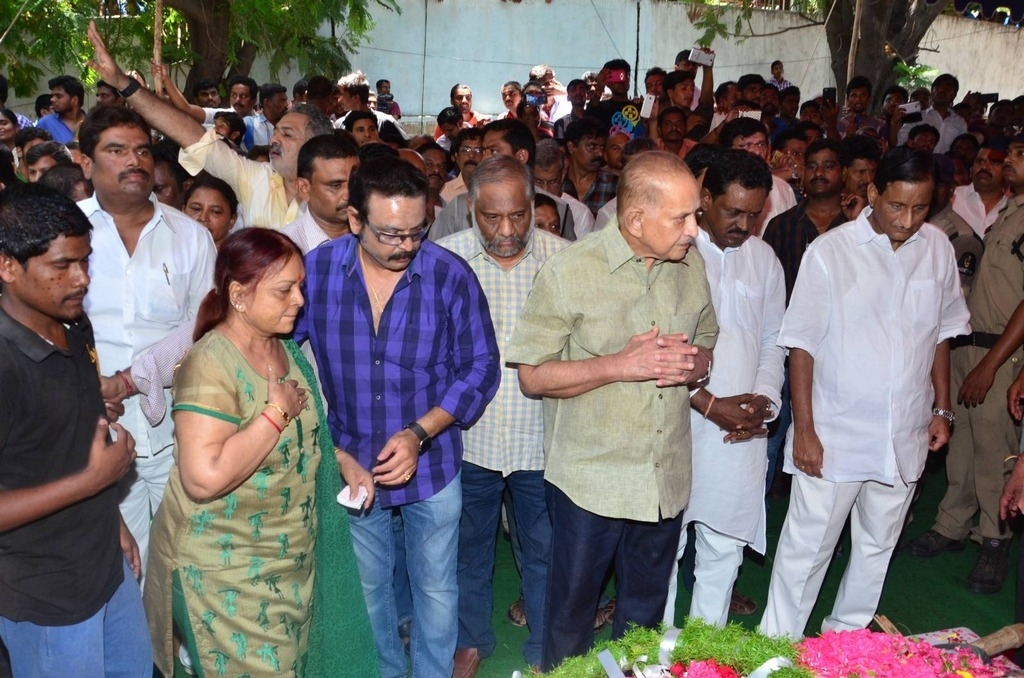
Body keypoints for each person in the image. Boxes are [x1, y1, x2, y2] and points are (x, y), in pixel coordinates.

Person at [506, 151, 717, 671]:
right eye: (682, 218)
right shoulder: (570, 271)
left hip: (663, 475)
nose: (695, 229)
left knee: (644, 614)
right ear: (636, 219)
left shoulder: (691, 264)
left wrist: (694, 366)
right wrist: (621, 365)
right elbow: (532, 375)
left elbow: (707, 343)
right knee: (571, 616)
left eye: (695, 215)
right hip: (590, 482)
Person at [295, 157, 500, 678]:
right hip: (352, 462)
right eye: (390, 234)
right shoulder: (317, 272)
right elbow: (280, 356)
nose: (406, 246)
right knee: (369, 588)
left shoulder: (449, 274)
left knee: (436, 587)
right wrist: (331, 448)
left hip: (432, 463)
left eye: (417, 231)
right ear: (355, 219)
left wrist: (419, 433)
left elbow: (481, 367)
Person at [143, 228, 378, 677]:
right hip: (224, 567)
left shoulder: (284, 348)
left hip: (287, 556)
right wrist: (275, 414)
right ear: (238, 295)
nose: (299, 301)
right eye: (284, 290)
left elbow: (303, 436)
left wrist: (341, 461)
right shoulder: (210, 363)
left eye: (300, 287)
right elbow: (203, 477)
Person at [759, 148, 970, 639]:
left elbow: (941, 332)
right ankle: (777, 648)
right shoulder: (830, 252)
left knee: (877, 547)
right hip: (835, 431)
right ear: (874, 192)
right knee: (807, 548)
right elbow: (801, 345)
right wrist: (804, 430)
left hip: (904, 430)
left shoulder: (937, 247)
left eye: (920, 208)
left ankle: (845, 641)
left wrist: (942, 408)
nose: (907, 220)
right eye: (897, 205)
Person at [0, 183, 151, 677]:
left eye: (86, 261)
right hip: (47, 598)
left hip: (104, 565)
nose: (82, 279)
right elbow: (89, 471)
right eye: (62, 266)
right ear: (7, 266)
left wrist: (114, 522)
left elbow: (80, 438)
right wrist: (93, 482)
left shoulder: (72, 324)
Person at [438, 155, 569, 675]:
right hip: (469, 438)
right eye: (492, 218)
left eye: (519, 215)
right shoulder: (446, 259)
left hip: (542, 438)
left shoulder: (564, 260)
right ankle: (470, 640)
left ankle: (545, 651)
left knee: (545, 549)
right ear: (470, 209)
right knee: (468, 548)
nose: (508, 230)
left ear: (534, 205)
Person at [77, 105, 217, 575]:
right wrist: (87, 390)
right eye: (116, 150)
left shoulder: (190, 236)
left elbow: (204, 329)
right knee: (123, 563)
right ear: (86, 163)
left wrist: (129, 380)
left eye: (141, 150)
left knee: (192, 561)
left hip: (178, 425)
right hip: (95, 429)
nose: (134, 161)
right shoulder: (66, 232)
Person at [664, 149, 784, 627]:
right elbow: (658, 344)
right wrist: (709, 404)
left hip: (741, 429)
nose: (744, 225)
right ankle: (656, 647)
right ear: (705, 199)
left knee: (725, 547)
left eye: (754, 214)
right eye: (733, 211)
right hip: (676, 421)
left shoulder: (764, 259)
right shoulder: (676, 252)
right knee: (664, 545)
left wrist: (764, 402)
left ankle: (703, 650)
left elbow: (774, 340)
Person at [905, 134, 1024, 594]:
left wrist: (991, 365)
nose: (1008, 161)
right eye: (1007, 154)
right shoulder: (1010, 213)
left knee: (995, 448)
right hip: (968, 344)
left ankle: (994, 538)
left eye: (1018, 156)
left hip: (1001, 352)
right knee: (963, 445)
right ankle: (952, 524)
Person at [87, 23, 334, 229]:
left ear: (316, 145)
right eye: (276, 132)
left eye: (287, 134)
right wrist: (123, 83)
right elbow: (191, 134)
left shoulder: (340, 194)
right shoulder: (255, 179)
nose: (275, 140)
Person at [282, 133, 361, 254]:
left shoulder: (379, 236)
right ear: (304, 189)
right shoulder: (285, 249)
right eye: (336, 185)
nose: (349, 194)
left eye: (354, 182)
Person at [182, 172, 240, 247]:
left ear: (232, 220)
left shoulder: (242, 254)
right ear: (183, 211)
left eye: (215, 212)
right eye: (196, 209)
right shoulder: (169, 248)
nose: (203, 218)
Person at [36, 75, 86, 143]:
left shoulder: (93, 122)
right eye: (52, 96)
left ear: (74, 100)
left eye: (58, 96)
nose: (52, 99)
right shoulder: (45, 123)